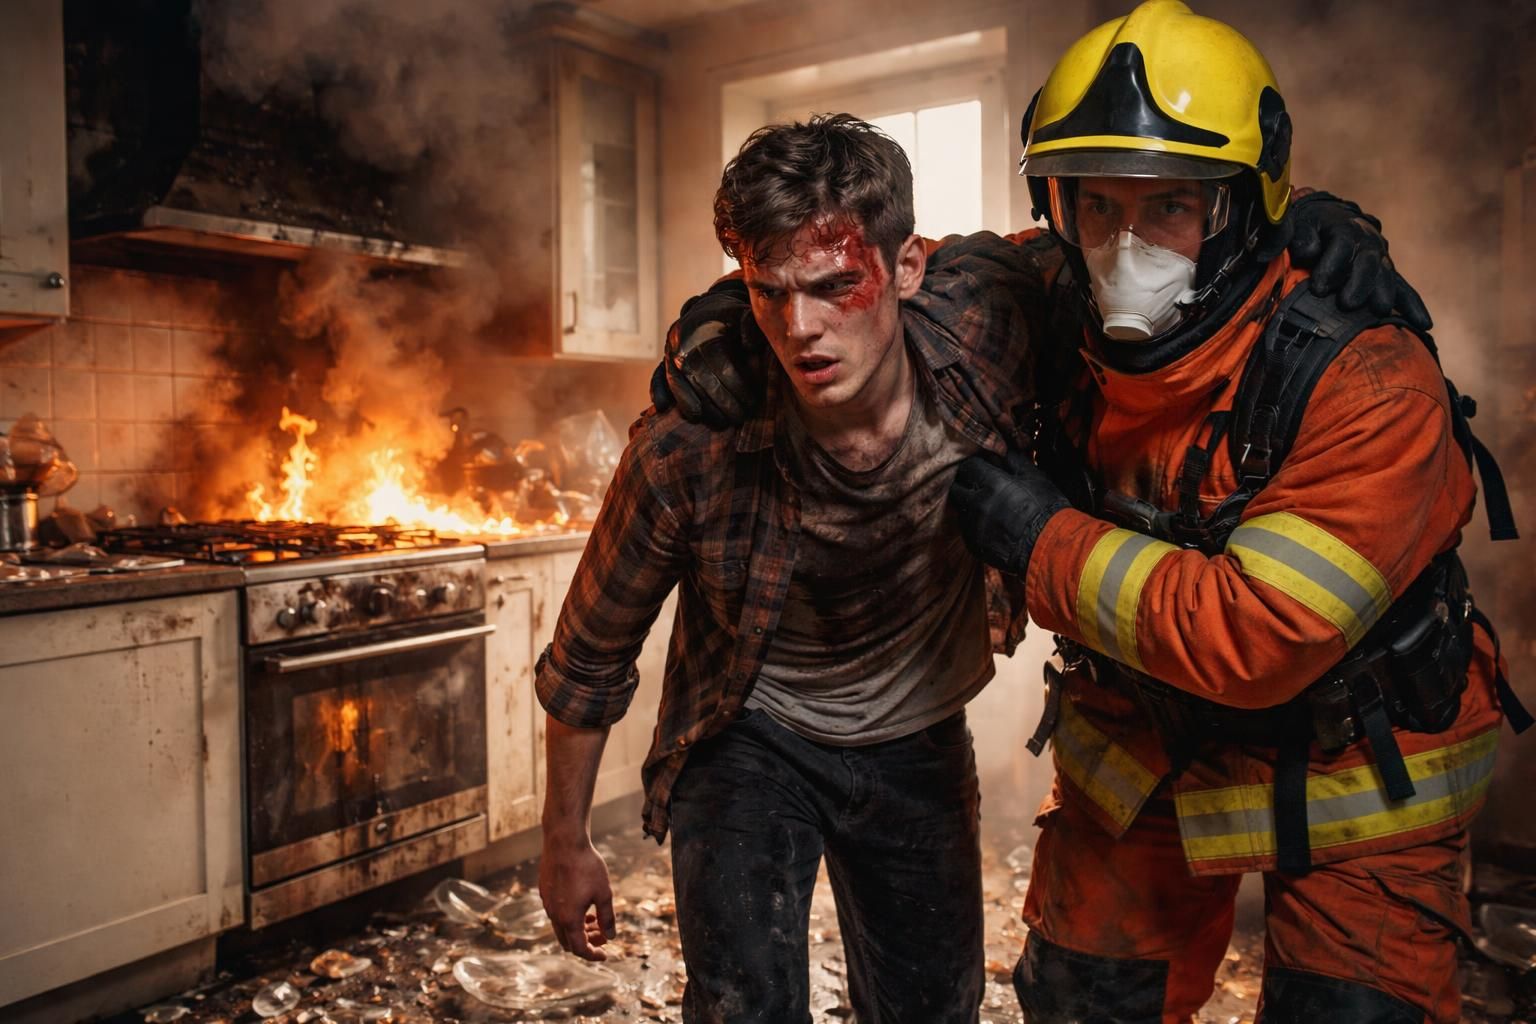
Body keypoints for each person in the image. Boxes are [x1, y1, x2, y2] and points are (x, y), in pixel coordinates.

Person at [943, 2, 1523, 1021]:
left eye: (1171, 206)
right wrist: (743, 310)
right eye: (1095, 207)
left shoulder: (1368, 377)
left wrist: (1033, 533)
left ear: (1245, 208)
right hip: (1142, 756)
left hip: (1359, 769)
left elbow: (1258, 634)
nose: (1125, 248)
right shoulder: (1055, 295)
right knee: (1081, 1002)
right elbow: (904, 286)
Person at [534, 113, 1055, 1023]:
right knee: (743, 1009)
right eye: (768, 293)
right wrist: (564, 840)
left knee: (933, 1009)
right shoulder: (690, 448)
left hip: (918, 733)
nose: (801, 328)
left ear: (908, 267)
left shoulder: (983, 342)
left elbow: (1072, 257)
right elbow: (590, 655)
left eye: (835, 285)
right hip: (750, 734)